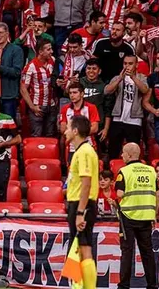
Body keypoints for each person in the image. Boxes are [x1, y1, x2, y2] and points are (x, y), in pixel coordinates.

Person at [115, 143, 157, 289]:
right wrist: (154, 213)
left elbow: (119, 194)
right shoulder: (151, 171)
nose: (122, 155)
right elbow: (156, 193)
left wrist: (115, 202)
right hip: (146, 216)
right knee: (148, 253)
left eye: (123, 153)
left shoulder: (124, 171)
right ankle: (153, 285)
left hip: (128, 216)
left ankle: (124, 286)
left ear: (130, 155)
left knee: (127, 252)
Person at [64, 115, 99, 289]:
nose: (65, 131)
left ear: (76, 131)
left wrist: (79, 212)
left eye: (68, 128)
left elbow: (86, 183)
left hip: (81, 204)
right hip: (80, 203)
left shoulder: (84, 151)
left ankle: (86, 287)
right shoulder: (83, 150)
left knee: (84, 248)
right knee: (81, 246)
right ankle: (81, 286)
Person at [105, 55, 148, 159]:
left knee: (133, 150)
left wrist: (133, 77)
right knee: (113, 149)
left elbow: (145, 90)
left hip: (134, 119)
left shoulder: (142, 77)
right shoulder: (117, 77)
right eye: (125, 63)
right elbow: (107, 91)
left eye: (130, 63)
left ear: (136, 65)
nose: (127, 66)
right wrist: (120, 78)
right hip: (117, 118)